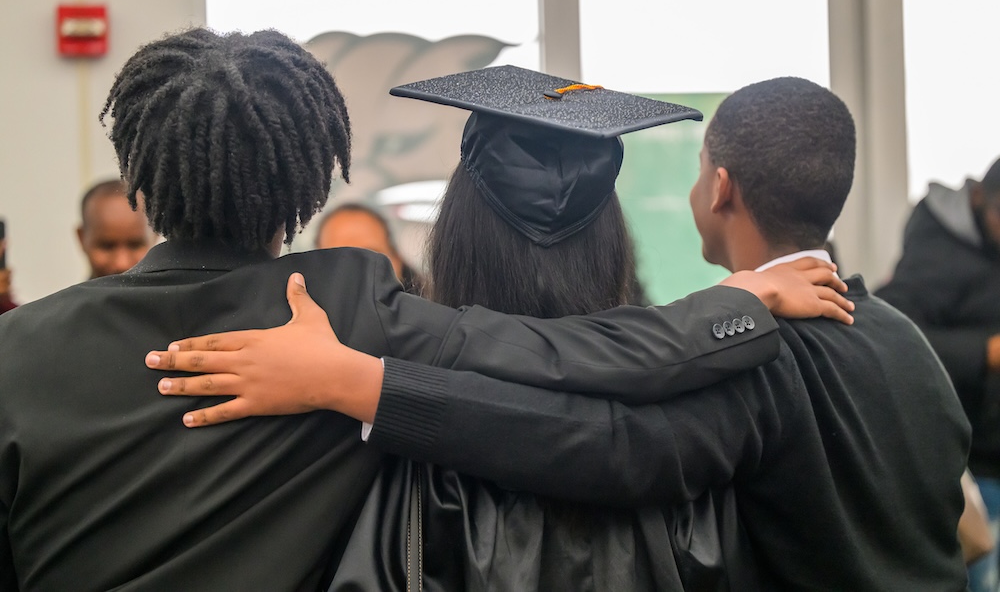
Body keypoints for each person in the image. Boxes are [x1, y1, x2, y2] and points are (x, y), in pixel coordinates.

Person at [0, 34, 846, 590]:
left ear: (140, 181)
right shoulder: (345, 309)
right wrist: (737, 301)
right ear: (304, 187)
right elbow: (562, 359)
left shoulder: (16, 350)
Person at [152, 76, 970, 589]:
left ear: (720, 188)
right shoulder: (907, 344)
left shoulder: (745, 365)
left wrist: (353, 383)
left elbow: (594, 438)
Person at [876, 156, 1000, 592]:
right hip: (970, 465)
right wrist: (984, 353)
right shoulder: (936, 251)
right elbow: (894, 338)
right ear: (981, 199)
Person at [316, 202, 423, 294]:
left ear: (397, 262)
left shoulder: (431, 315)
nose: (356, 271)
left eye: (371, 255)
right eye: (339, 259)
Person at [76, 178, 154, 279]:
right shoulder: (67, 295)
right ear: (81, 238)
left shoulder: (178, 294)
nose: (121, 264)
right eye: (107, 246)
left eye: (135, 245)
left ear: (155, 235)